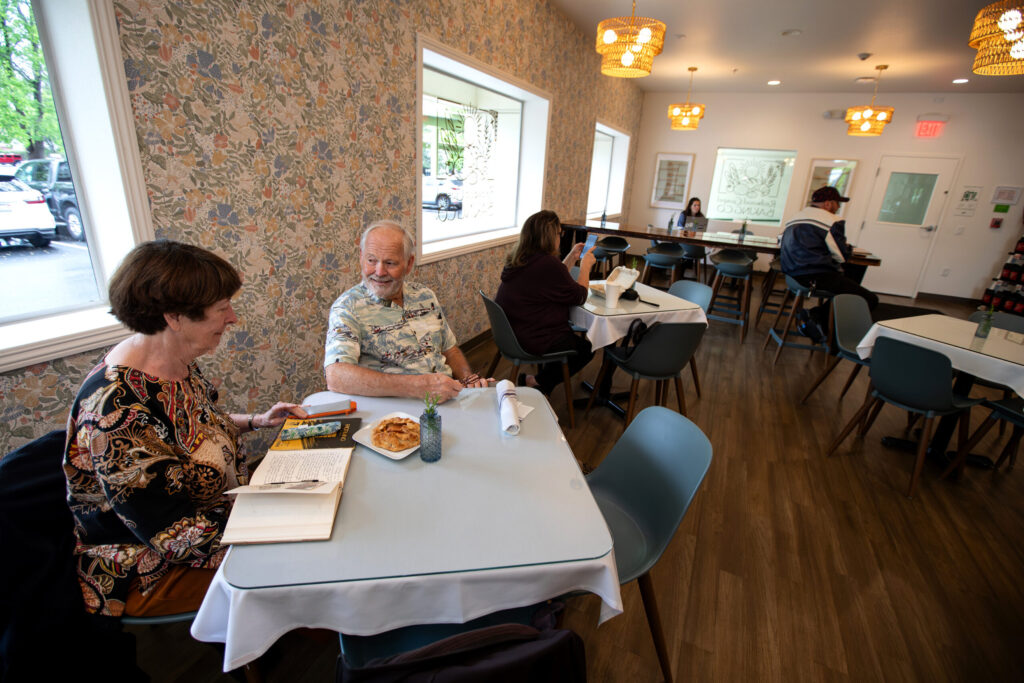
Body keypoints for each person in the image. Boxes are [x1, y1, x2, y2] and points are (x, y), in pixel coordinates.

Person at [63, 240, 307, 617]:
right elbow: (171, 537)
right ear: (174, 318)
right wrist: (270, 511)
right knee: (309, 567)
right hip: (149, 561)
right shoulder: (117, 410)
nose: (233, 318)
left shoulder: (171, 360)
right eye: (222, 308)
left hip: (222, 513)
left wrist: (257, 421)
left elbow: (194, 431)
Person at [325, 220, 488, 403]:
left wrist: (468, 380)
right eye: (371, 260)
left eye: (390, 263)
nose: (379, 272)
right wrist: (419, 387)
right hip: (397, 412)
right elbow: (336, 376)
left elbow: (449, 349)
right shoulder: (348, 307)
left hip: (449, 399)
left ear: (409, 263)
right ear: (361, 257)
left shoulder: (425, 296)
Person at [495, 210, 596, 394]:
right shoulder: (547, 264)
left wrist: (572, 256)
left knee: (571, 339)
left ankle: (539, 383)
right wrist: (586, 266)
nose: (560, 237)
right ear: (550, 236)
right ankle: (537, 382)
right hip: (532, 337)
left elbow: (555, 280)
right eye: (559, 233)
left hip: (510, 332)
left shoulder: (521, 257)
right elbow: (580, 296)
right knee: (587, 348)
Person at [780, 186, 879, 340]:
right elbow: (841, 256)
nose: (838, 207)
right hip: (815, 275)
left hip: (791, 275)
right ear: (827, 204)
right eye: (837, 203)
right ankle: (820, 321)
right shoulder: (832, 221)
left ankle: (819, 320)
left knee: (849, 284)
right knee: (868, 298)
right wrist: (846, 249)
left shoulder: (795, 218)